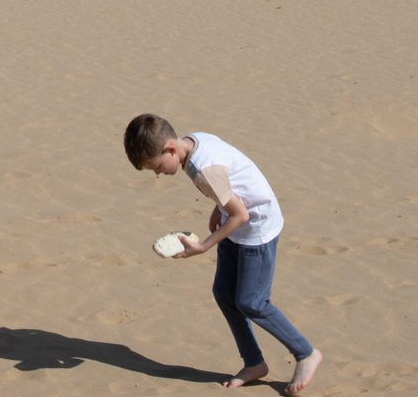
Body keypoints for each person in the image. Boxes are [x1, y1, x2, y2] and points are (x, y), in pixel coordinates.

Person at [124, 114, 323, 393]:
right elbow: (231, 178)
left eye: (156, 166)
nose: (157, 173)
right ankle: (254, 363)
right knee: (224, 294)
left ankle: (305, 353)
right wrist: (219, 206)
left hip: (257, 229)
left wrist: (204, 246)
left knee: (252, 302)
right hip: (235, 222)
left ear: (170, 149)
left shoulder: (203, 171)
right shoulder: (194, 141)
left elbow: (240, 214)